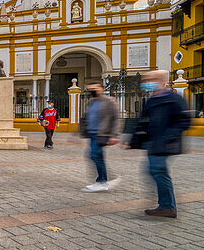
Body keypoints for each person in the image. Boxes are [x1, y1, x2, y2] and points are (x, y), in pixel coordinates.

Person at [126, 70, 191, 218]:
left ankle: (167, 206)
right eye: (146, 80)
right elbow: (142, 121)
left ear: (162, 81)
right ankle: (166, 205)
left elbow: (185, 121)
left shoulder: (174, 99)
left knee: (157, 170)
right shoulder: (151, 99)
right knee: (155, 171)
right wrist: (133, 141)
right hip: (153, 142)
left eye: (152, 79)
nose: (148, 83)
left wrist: (168, 136)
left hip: (165, 143)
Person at [80, 83, 121, 192]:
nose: (92, 90)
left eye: (95, 88)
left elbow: (116, 118)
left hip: (102, 133)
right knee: (96, 156)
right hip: (92, 133)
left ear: (102, 89)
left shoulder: (109, 101)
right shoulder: (91, 102)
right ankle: (105, 180)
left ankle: (102, 181)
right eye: (90, 89)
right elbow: (87, 118)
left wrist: (114, 135)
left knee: (95, 155)